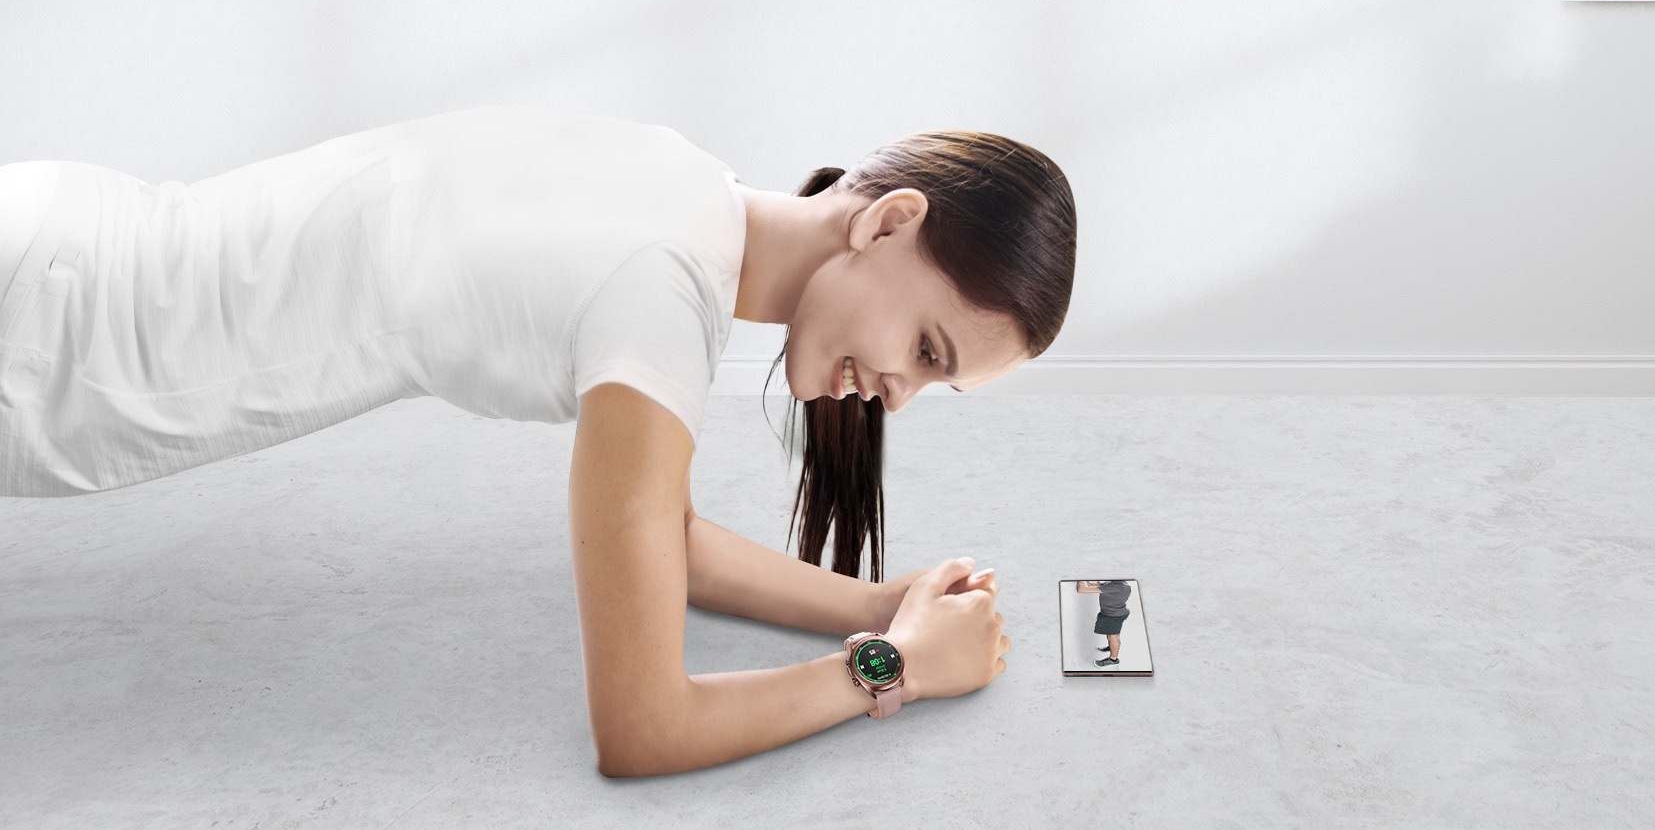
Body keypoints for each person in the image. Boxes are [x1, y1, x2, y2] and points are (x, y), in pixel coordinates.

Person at [0, 104, 1078, 775]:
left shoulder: (680, 182)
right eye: (929, 351)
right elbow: (645, 728)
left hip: (67, 241)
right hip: (46, 345)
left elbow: (656, 533)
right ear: (888, 222)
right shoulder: (657, 295)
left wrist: (876, 602)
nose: (897, 396)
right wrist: (893, 671)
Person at [1076, 579, 1131, 666]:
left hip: (1114, 615)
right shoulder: (1114, 583)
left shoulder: (1118, 586)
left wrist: (1080, 576)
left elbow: (1082, 589)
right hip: (1112, 613)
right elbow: (1090, 585)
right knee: (1110, 634)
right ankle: (1112, 647)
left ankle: (1113, 659)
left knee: (1113, 636)